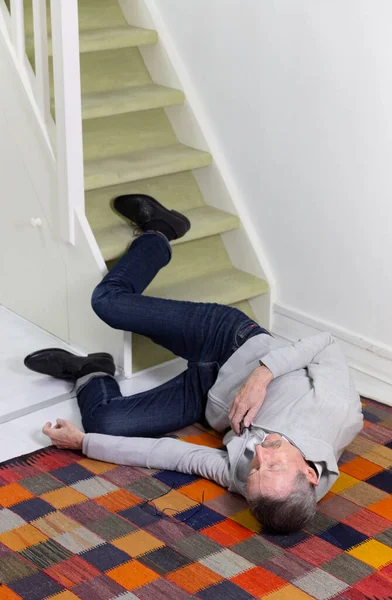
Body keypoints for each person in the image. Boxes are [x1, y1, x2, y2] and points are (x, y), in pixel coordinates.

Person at [24, 194, 363, 534]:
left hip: (205, 392)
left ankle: (91, 370)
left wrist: (83, 444)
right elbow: (326, 345)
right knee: (108, 302)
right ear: (309, 472)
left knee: (102, 421)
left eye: (257, 471)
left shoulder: (254, 485)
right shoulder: (338, 409)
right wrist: (263, 373)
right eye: (273, 465)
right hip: (228, 340)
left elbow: (172, 455)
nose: (258, 456)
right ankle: (160, 231)